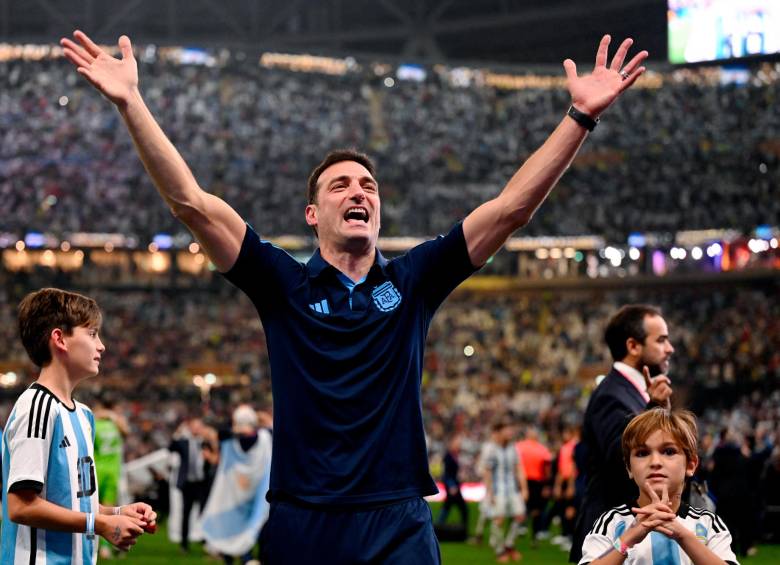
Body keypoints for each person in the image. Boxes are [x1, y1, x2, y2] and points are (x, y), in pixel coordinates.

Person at [60, 28, 647, 564]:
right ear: (313, 214)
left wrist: (579, 117)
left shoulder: (412, 281)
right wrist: (131, 103)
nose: (358, 191)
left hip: (398, 518)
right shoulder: (283, 284)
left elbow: (510, 209)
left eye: (368, 185)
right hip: (303, 519)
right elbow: (192, 204)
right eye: (340, 184)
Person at [2, 288, 157, 564]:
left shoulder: (84, 415)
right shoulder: (36, 407)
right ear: (59, 339)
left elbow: (75, 504)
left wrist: (118, 512)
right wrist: (98, 525)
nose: (102, 346)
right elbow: (20, 506)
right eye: (92, 333)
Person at [571, 304, 675, 562]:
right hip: (610, 534)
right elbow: (620, 458)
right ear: (633, 346)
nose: (669, 348)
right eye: (661, 340)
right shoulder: (611, 394)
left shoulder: (632, 391)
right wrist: (653, 410)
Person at [579, 408, 739, 565]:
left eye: (669, 451)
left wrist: (683, 536)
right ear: (629, 468)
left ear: (691, 465)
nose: (655, 462)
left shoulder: (706, 523)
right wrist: (627, 539)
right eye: (642, 453)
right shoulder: (613, 522)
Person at [201, 405, 272, 565]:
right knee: (250, 526)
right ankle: (248, 558)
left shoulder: (231, 438)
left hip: (247, 494)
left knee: (242, 527)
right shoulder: (262, 436)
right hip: (248, 494)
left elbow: (221, 432)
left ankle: (243, 558)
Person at [483, 417, 529, 562]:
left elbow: (518, 468)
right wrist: (490, 492)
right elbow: (487, 471)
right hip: (498, 489)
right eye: (507, 429)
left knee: (520, 516)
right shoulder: (491, 448)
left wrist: (524, 488)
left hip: (512, 488)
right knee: (499, 519)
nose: (510, 432)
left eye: (511, 429)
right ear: (499, 431)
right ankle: (499, 550)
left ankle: (509, 545)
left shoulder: (513, 447)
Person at [92, 397, 130, 559]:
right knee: (108, 509)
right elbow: (126, 432)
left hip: (96, 470)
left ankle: (99, 546)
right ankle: (106, 547)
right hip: (112, 472)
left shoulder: (94, 423)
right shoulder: (117, 424)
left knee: (94, 509)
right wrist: (113, 416)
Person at [168, 417, 209, 553]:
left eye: (199, 426)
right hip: (188, 483)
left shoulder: (206, 442)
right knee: (186, 512)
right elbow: (171, 447)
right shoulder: (184, 442)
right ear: (190, 428)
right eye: (194, 426)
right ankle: (184, 543)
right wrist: (178, 432)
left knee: (205, 512)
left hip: (202, 482)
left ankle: (206, 541)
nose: (196, 429)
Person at [515, 426, 553, 545]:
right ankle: (534, 536)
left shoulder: (518, 447)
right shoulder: (542, 449)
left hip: (522, 481)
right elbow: (547, 469)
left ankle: (520, 527)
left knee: (521, 506)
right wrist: (547, 485)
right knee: (536, 510)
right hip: (537, 482)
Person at [436, 434, 468, 530]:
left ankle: (437, 527)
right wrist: (452, 485)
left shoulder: (454, 456)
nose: (459, 445)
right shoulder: (448, 456)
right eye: (457, 443)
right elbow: (446, 473)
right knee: (462, 509)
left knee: (448, 506)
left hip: (454, 485)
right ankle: (463, 531)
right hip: (452, 486)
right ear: (451, 444)